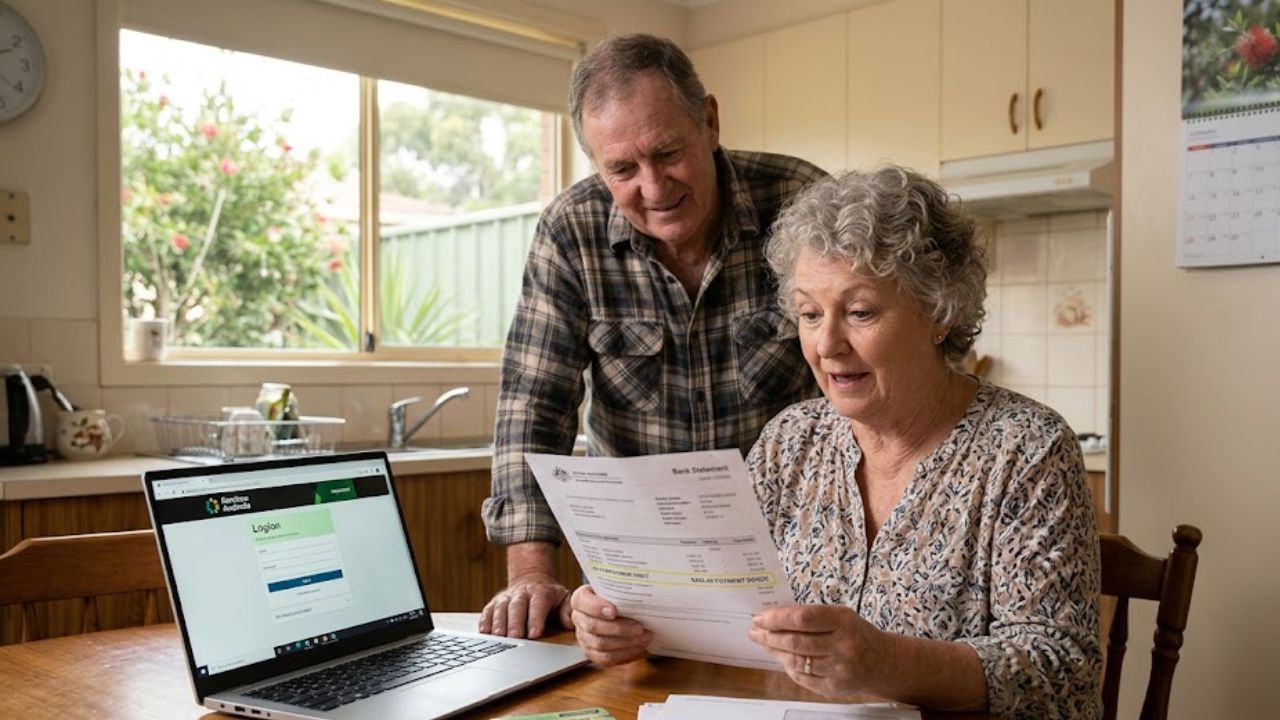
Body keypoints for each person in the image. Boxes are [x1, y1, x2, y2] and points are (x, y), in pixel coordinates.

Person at [568, 167, 1102, 719]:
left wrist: (887, 661)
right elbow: (720, 607)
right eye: (809, 313)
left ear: (939, 312)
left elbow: (1061, 673)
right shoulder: (790, 440)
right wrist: (630, 622)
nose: (827, 345)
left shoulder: (1027, 450)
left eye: (860, 312)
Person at [478, 34, 826, 639]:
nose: (655, 186)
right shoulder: (571, 230)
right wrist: (531, 573)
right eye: (622, 169)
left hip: (801, 550)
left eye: (669, 153)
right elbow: (533, 406)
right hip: (639, 565)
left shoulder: (801, 203)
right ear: (597, 165)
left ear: (710, 122)